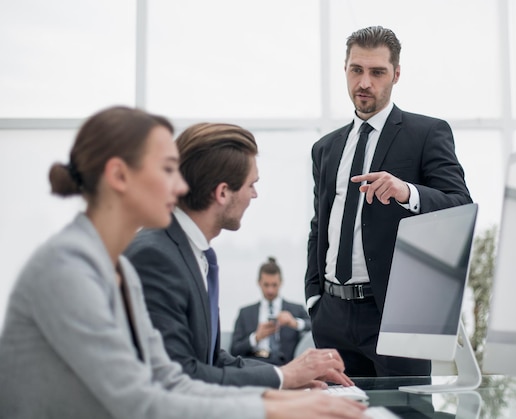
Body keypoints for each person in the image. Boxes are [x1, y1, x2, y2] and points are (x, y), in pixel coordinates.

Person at [0, 106, 366, 419]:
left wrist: (280, 396)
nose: (180, 187)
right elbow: (138, 402)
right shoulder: (67, 269)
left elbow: (169, 380)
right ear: (118, 176)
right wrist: (276, 406)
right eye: (167, 170)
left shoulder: (120, 268)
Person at [125, 122, 354, 390]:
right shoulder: (155, 256)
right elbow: (179, 376)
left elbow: (212, 361)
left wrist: (291, 375)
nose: (254, 195)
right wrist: (284, 378)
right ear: (222, 192)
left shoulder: (192, 252)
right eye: (251, 185)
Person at [305, 26, 473, 377]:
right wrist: (313, 298)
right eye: (356, 70)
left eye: (377, 72)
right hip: (332, 317)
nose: (364, 82)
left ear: (396, 74)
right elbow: (320, 225)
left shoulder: (427, 133)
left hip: (396, 317)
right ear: (346, 70)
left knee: (407, 414)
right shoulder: (325, 148)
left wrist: (408, 192)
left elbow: (460, 205)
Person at [231, 257, 311, 366]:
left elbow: (315, 327)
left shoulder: (295, 310)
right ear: (259, 283)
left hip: (285, 366)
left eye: (274, 285)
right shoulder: (245, 313)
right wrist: (256, 337)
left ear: (281, 283)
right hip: (253, 365)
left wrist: (294, 323)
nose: (270, 290)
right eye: (266, 285)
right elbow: (234, 350)